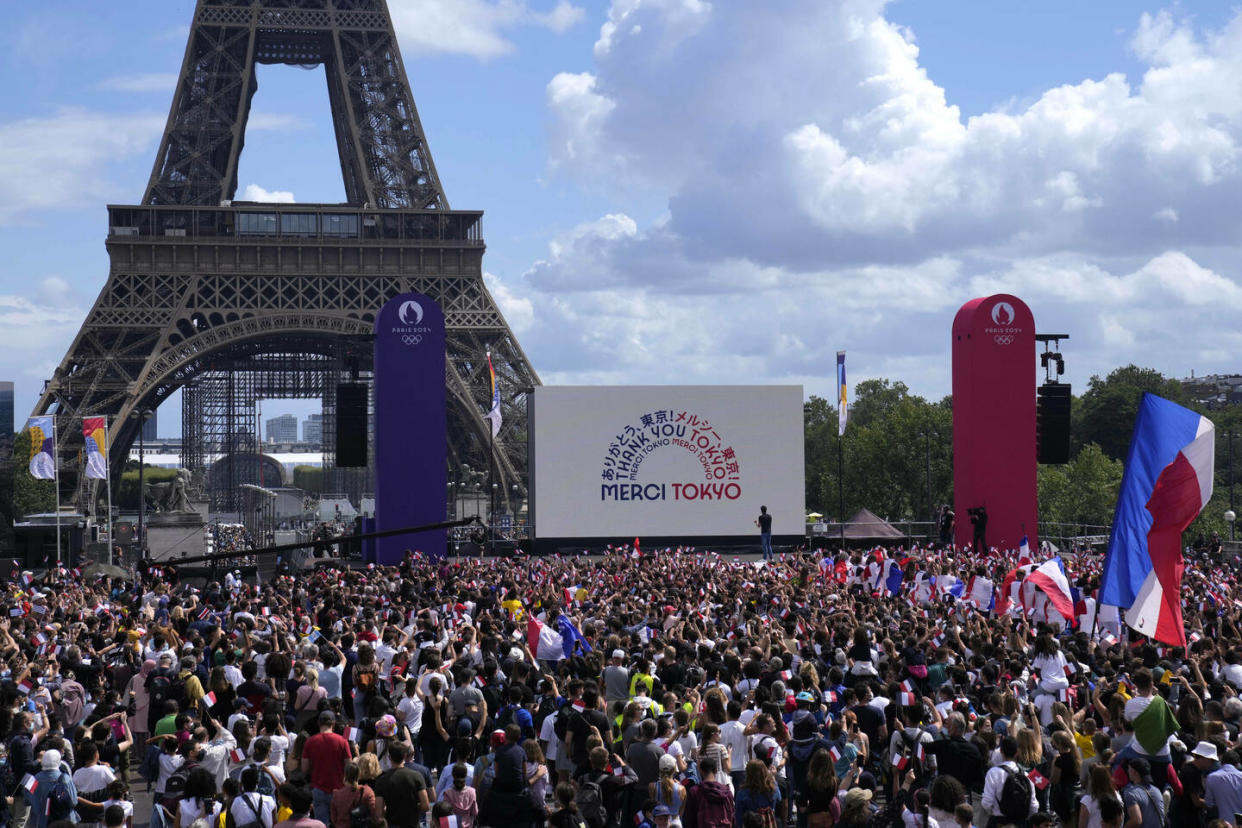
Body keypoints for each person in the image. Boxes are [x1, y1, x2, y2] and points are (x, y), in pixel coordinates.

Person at [301, 711, 351, 825]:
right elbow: (349, 766)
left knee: (321, 824)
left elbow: (304, 769)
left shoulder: (310, 742)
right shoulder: (342, 741)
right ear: (333, 724)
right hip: (340, 789)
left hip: (318, 789)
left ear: (319, 723)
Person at [981, 736, 1036, 827]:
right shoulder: (1027, 775)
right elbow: (1034, 806)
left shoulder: (993, 773)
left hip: (999, 821)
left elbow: (987, 803)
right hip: (1020, 823)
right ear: (1017, 753)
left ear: (1001, 751)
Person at [683, 756, 734, 828]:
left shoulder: (695, 791)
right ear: (716, 771)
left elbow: (689, 818)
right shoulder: (727, 791)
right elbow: (732, 815)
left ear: (701, 771)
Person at [733, 759, 780, 827]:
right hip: (768, 824)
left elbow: (739, 816)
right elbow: (779, 799)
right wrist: (772, 777)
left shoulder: (742, 793)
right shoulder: (772, 788)